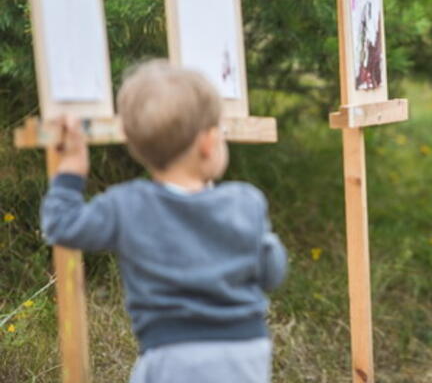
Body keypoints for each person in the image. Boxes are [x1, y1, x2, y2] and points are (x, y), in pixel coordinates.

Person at [40, 60, 287, 383]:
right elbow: (272, 273)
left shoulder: (127, 205)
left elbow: (61, 225)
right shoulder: (244, 201)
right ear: (208, 143)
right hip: (245, 351)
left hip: (171, 354)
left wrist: (72, 168)